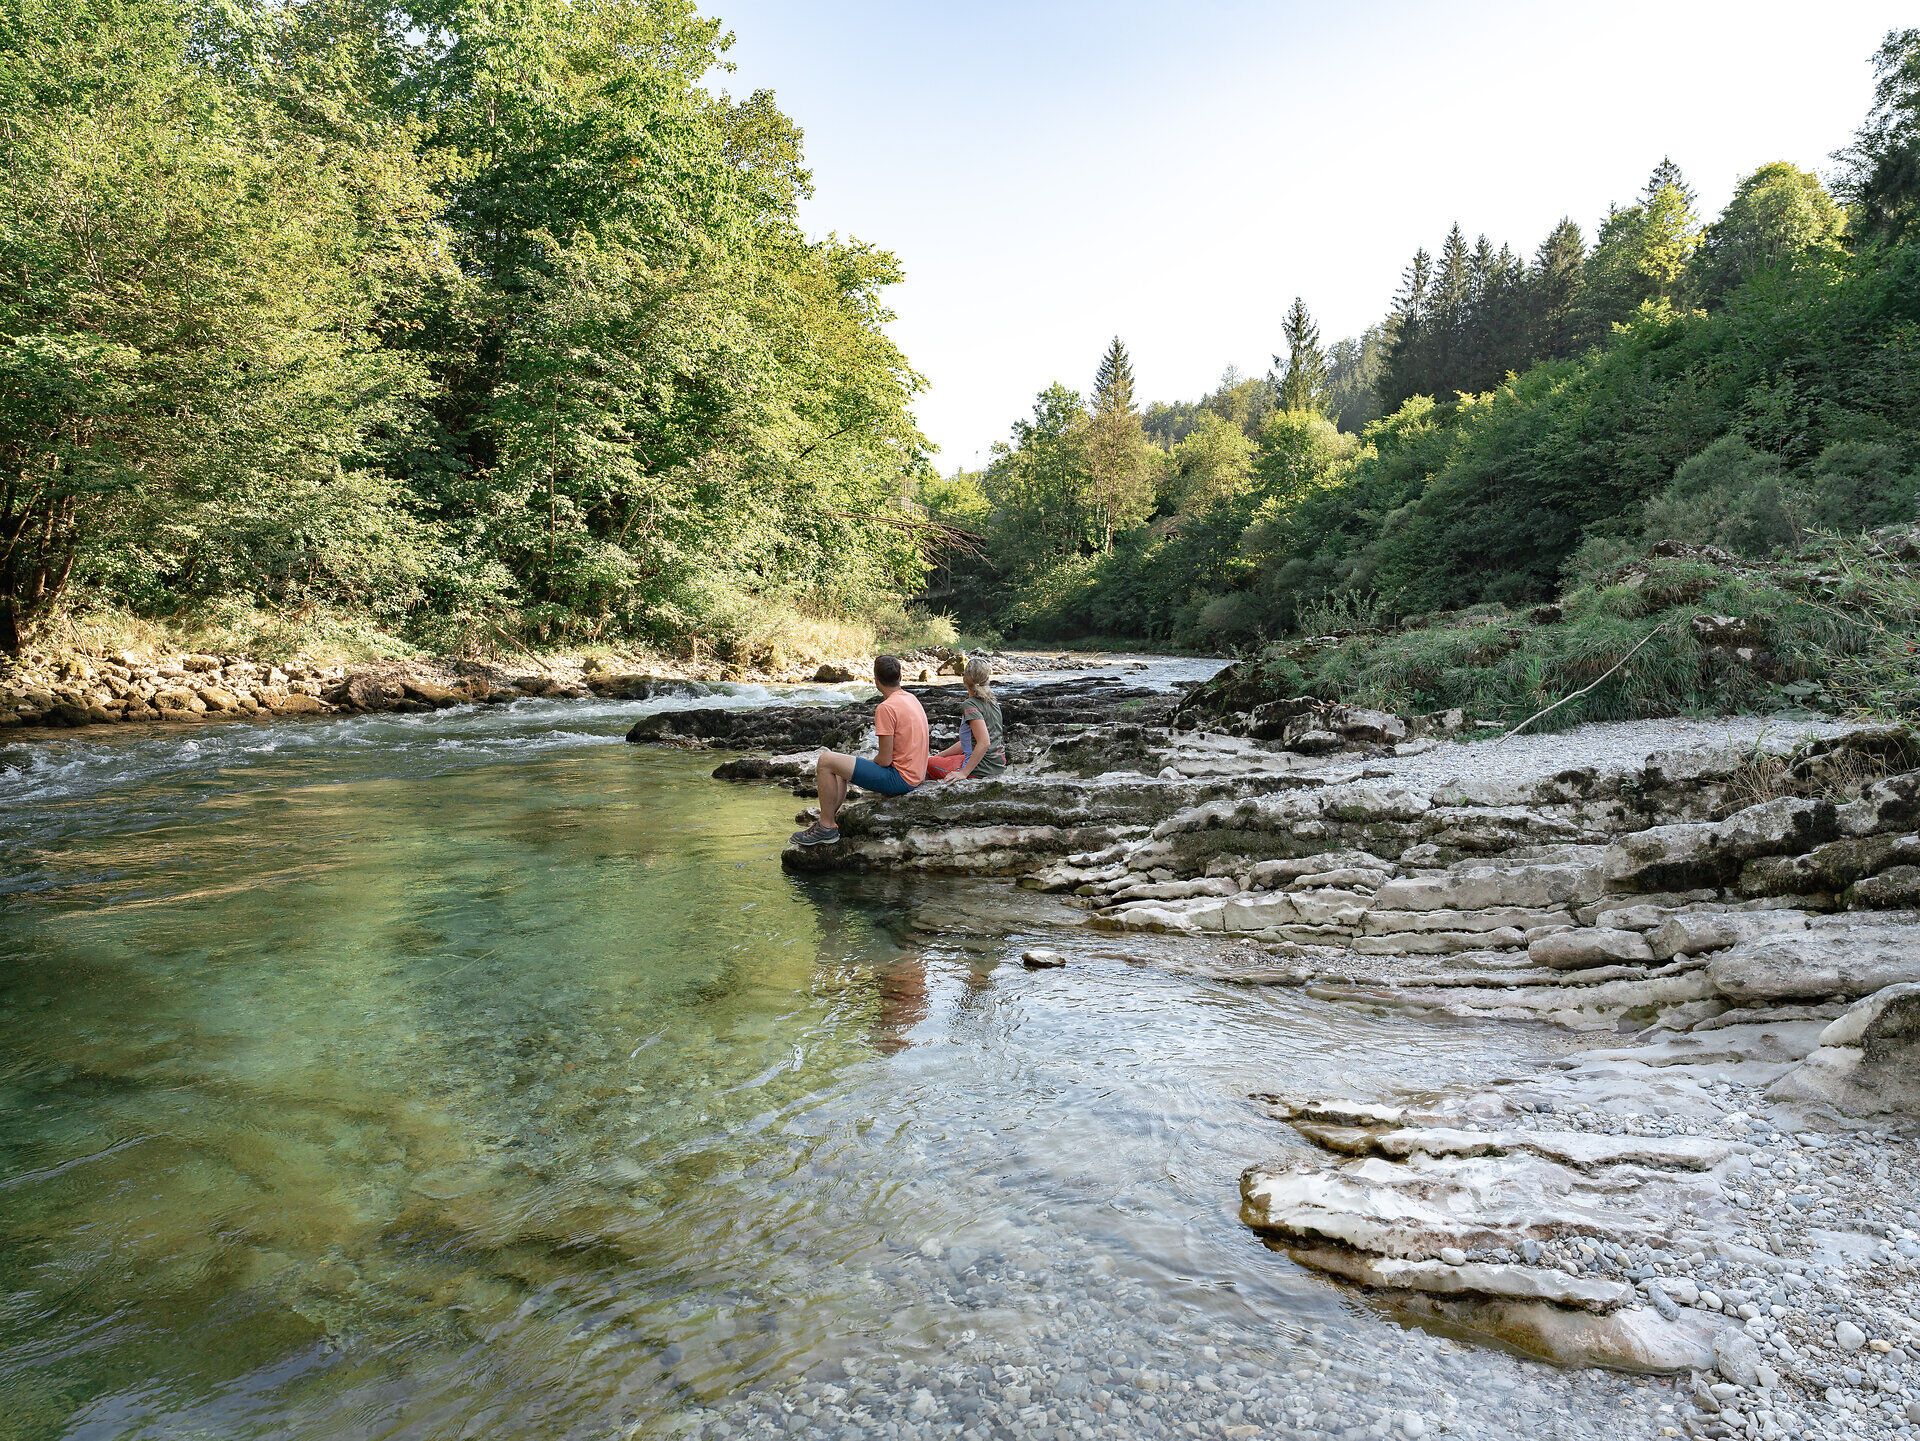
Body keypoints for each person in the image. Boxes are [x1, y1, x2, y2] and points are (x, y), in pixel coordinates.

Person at [791, 654, 929, 847]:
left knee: (825, 761)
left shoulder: (886, 708)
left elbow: (885, 760)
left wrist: (870, 764)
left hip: (900, 780)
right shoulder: (911, 699)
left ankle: (826, 827)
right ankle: (829, 820)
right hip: (917, 774)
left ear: (876, 679)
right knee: (840, 768)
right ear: (899, 677)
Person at [927, 656, 1008, 782]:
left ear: (965, 679)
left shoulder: (970, 704)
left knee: (927, 765)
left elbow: (984, 742)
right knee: (932, 760)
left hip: (981, 770)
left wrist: (964, 773)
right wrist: (937, 756)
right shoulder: (993, 701)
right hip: (997, 765)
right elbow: (967, 743)